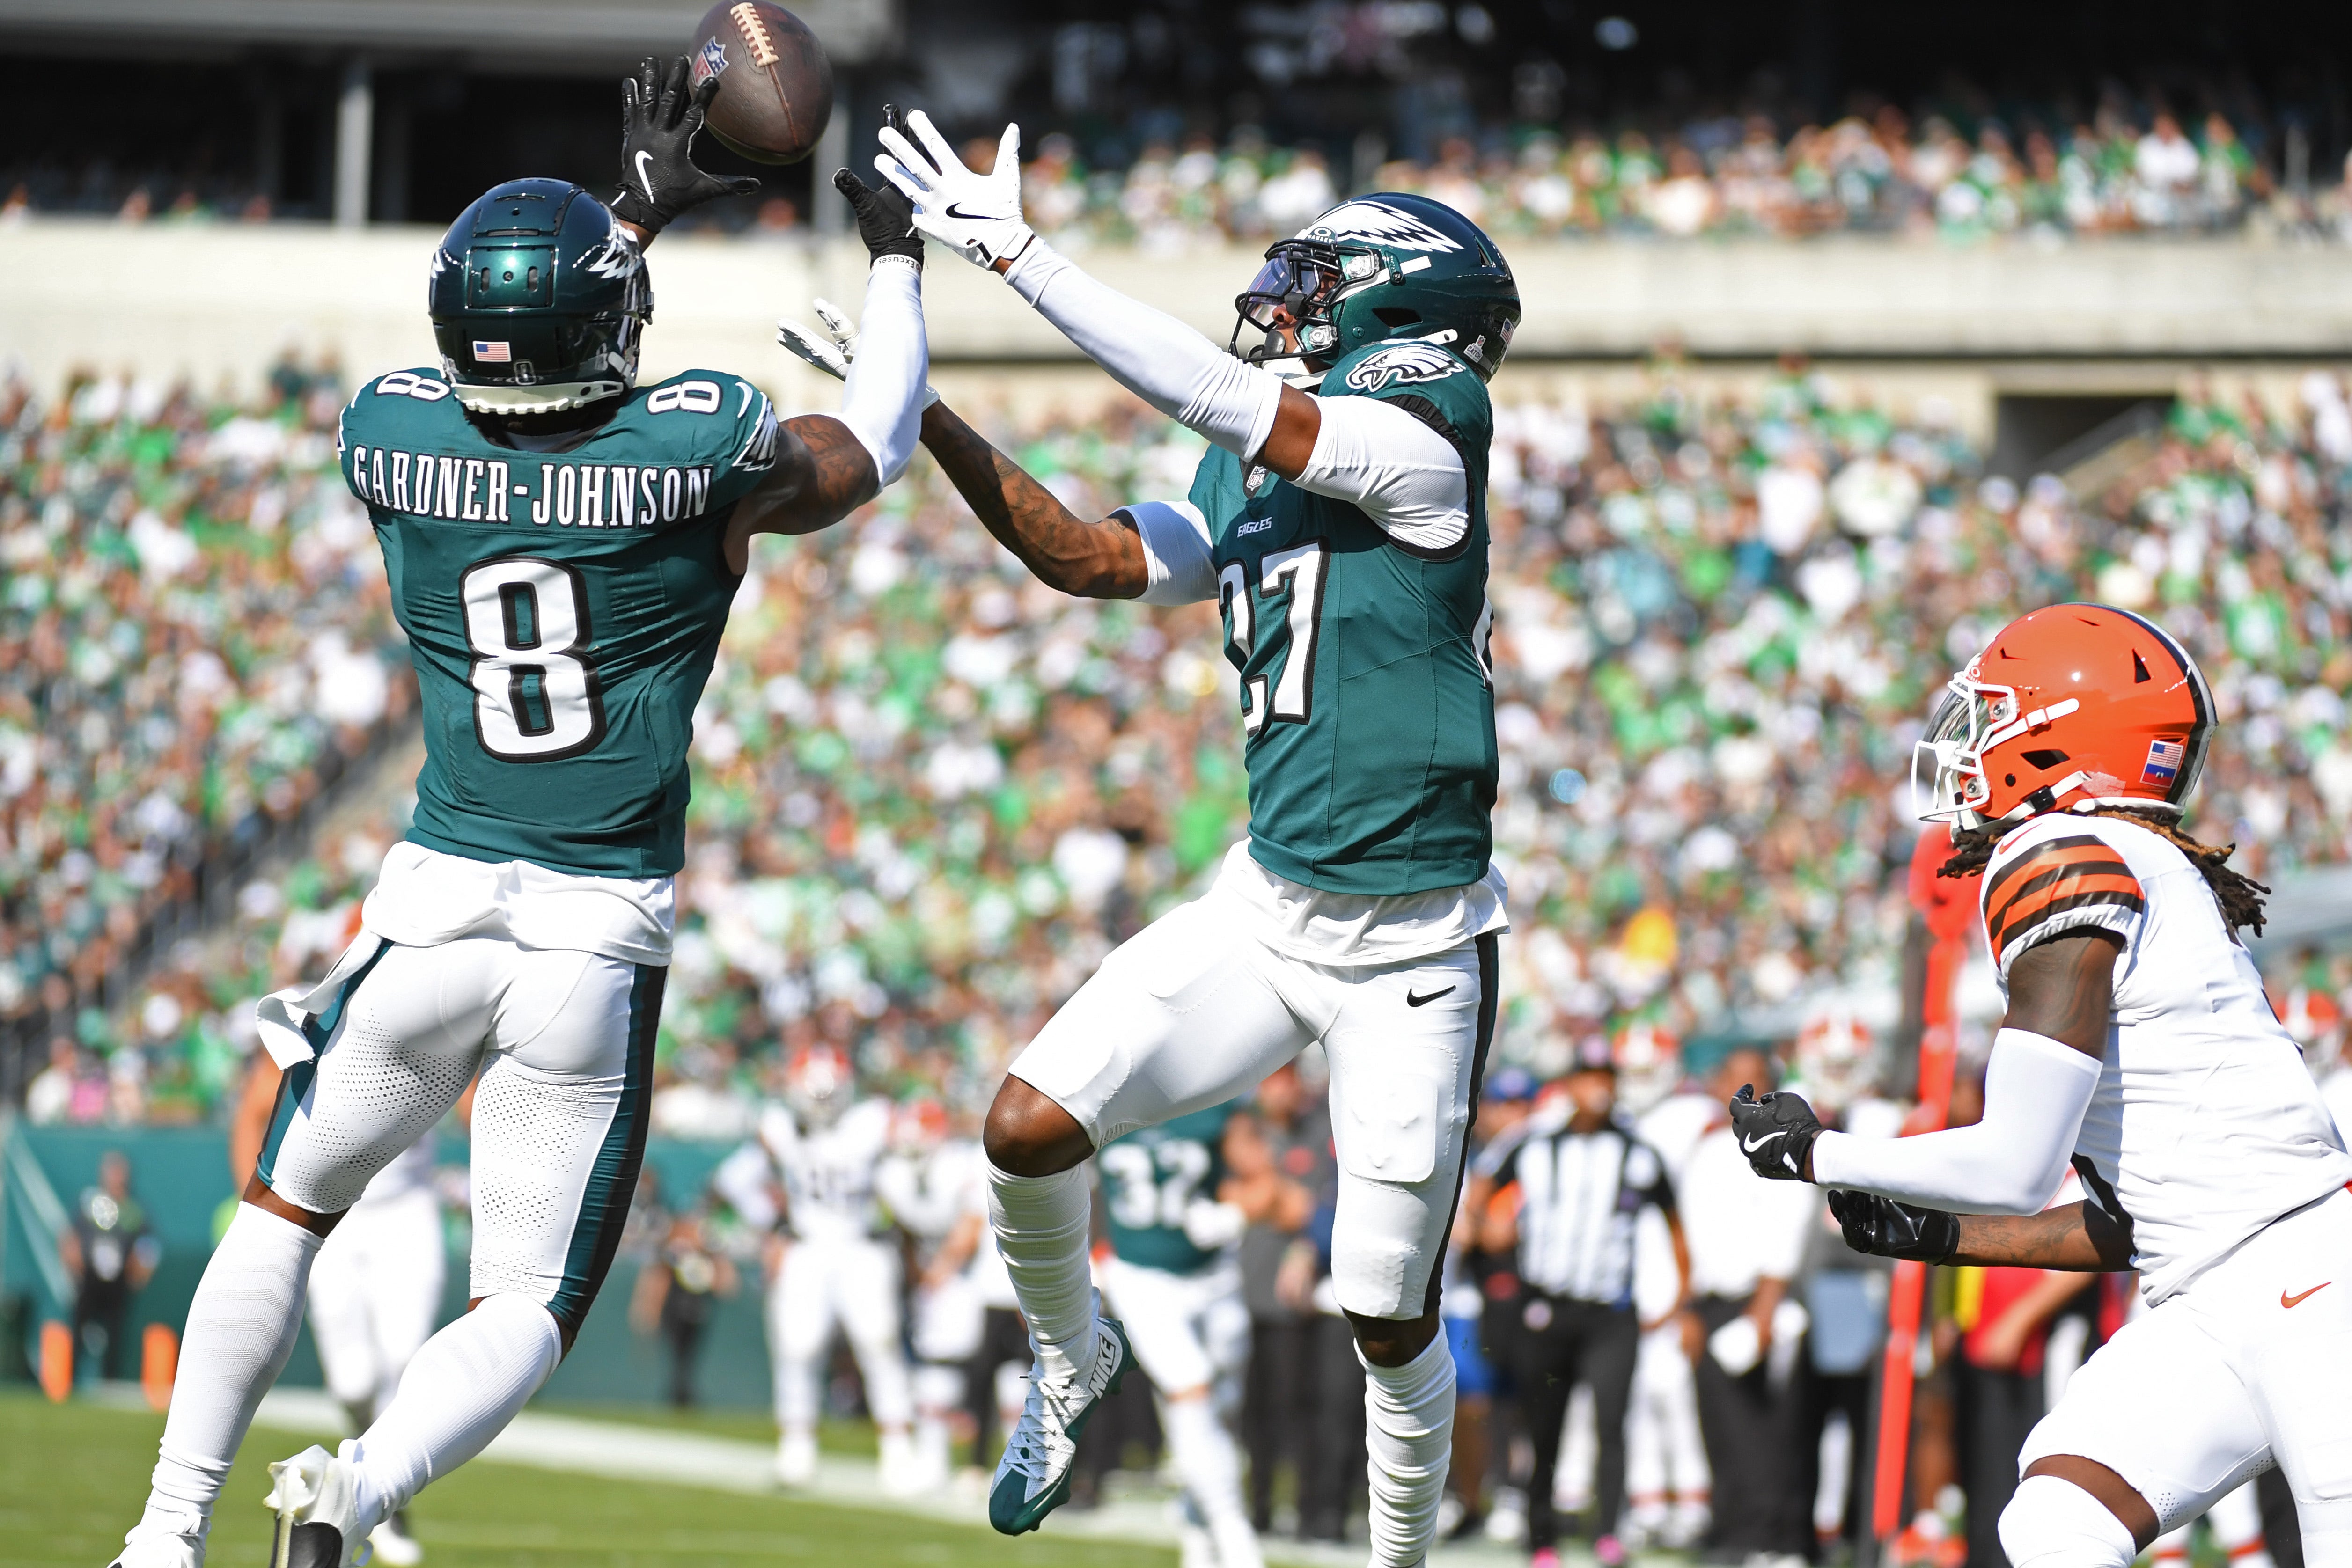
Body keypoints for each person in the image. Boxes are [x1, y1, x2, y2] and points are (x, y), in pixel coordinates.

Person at [104, 60, 934, 1568]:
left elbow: (528, 359)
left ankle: (166, 1535)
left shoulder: (391, 433)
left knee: (284, 1212)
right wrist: (895, 263)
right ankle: (356, 1492)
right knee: (528, 1301)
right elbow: (872, 436)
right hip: (587, 938)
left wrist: (628, 212)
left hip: (424, 912)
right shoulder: (701, 450)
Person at [865, 108, 1521, 1563]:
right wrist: (937, 425)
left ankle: (1401, 1548)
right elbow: (1092, 556)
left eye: (1321, 280)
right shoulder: (1267, 462)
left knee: (1381, 1306)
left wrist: (1021, 258)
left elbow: (1248, 410)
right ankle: (1069, 1356)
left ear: (1397, 310)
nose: (1287, 302)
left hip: (1412, 950)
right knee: (1028, 1125)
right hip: (1271, 913)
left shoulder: (1425, 436)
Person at [1734, 603, 2352, 1568]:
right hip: (2223, 1287)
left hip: (2310, 1283)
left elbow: (2015, 1164)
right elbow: (2146, 1216)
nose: (1967, 742)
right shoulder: (2140, 862)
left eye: (1990, 714)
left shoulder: (2059, 852)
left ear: (2059, 734)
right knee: (2055, 1521)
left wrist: (1814, 1151)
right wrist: (1947, 1236)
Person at [228, 1052, 452, 1567]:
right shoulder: (329, 1015)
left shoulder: (448, 1005)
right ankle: (372, 1482)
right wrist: (256, 1209)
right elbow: (255, 1108)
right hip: (331, 1207)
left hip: (407, 1207)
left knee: (403, 1357)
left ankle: (381, 1494)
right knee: (353, 1381)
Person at [1481, 1038, 1683, 1568]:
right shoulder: (1534, 1146)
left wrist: (1678, 1297)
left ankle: (1607, 1533)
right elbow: (1482, 1198)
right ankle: (1540, 1535)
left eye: (1604, 1076)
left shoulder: (1637, 1152)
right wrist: (1493, 1232)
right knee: (1542, 1424)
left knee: (1611, 1423)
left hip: (1610, 1313)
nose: (1596, 1086)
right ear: (1569, 1083)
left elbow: (1675, 1225)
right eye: (1586, 1075)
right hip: (1546, 1309)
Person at [1097, 1099, 1295, 1568]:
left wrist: (1235, 1215)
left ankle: (1195, 1516)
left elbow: (1269, 1186)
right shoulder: (1101, 1102)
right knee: (1191, 1388)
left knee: (1219, 1412)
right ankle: (1234, 1532)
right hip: (1138, 1275)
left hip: (1212, 1278)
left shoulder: (1216, 1105)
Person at [713, 1042, 919, 1490]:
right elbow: (733, 1179)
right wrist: (775, 1226)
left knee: (879, 1342)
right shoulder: (780, 1126)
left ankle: (899, 1451)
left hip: (862, 1246)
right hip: (807, 1249)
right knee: (797, 1346)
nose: (821, 1102)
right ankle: (797, 1450)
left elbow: (906, 1171)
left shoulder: (872, 1122)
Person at [1680, 1047, 1819, 1563]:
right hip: (1712, 1301)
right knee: (1722, 1427)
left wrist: (1764, 1308)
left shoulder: (1781, 1141)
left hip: (1762, 1304)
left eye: (1753, 1081)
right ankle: (1735, 1535)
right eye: (1732, 1080)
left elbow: (1789, 1222)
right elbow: (1692, 1235)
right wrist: (1689, 1307)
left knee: (1769, 1430)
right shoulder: (1707, 1146)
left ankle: (1775, 1540)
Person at [62, 1151, 161, 1383]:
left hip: (119, 1279)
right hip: (89, 1276)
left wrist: (141, 1269)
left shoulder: (134, 1211)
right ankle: (69, 1378)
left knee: (116, 1331)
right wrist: (71, 1259)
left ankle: (109, 1381)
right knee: (79, 1324)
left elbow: (149, 1245)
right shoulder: (91, 1204)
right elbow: (71, 1236)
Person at [626, 1205, 737, 1409]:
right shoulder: (670, 1252)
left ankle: (685, 1392)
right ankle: (678, 1393)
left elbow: (725, 1282)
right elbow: (657, 1280)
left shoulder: (706, 1250)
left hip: (697, 1308)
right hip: (675, 1308)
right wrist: (649, 1309)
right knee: (677, 1352)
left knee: (690, 1353)